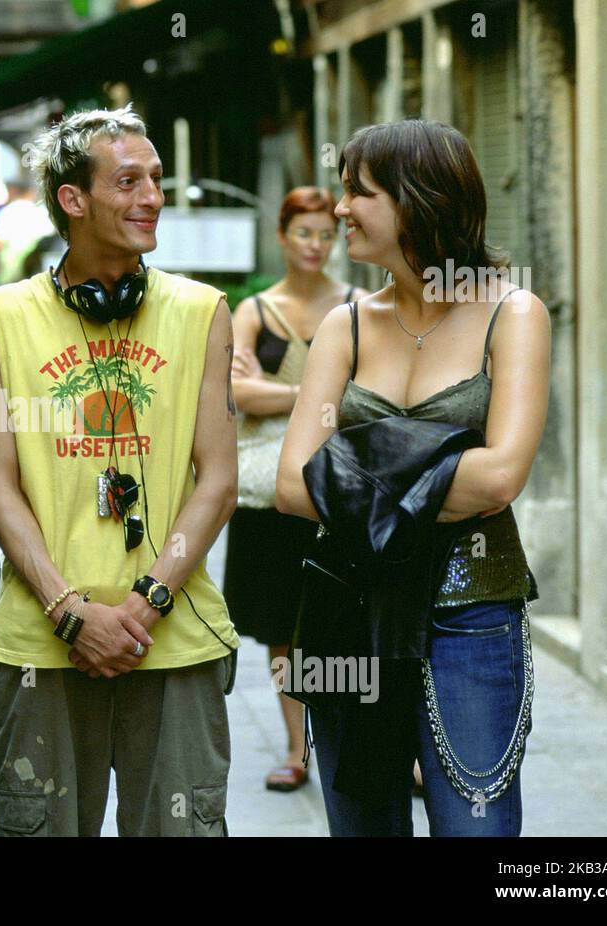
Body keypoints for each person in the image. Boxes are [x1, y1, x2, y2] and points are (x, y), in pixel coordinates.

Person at [0, 104, 239, 836]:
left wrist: (145, 604)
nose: (151, 196)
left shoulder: (203, 311)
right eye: (128, 181)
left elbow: (217, 480)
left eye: (156, 179)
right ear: (73, 199)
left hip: (174, 640)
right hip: (40, 650)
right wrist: (69, 611)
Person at [276, 119, 548, 836]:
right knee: (362, 826)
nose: (338, 212)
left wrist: (358, 463)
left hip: (469, 612)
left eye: (356, 193)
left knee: (475, 828)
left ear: (416, 201)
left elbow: (499, 481)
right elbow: (291, 486)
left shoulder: (513, 314)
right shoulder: (346, 325)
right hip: (347, 611)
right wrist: (440, 465)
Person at [226, 187, 366, 792]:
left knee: (352, 614)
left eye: (325, 234)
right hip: (267, 491)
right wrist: (322, 391)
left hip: (341, 487)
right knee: (281, 621)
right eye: (304, 233)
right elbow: (234, 396)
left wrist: (280, 391)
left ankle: (366, 741)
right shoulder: (255, 310)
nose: (316, 244)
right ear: (282, 237)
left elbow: (372, 399)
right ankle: (295, 747)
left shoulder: (362, 304)